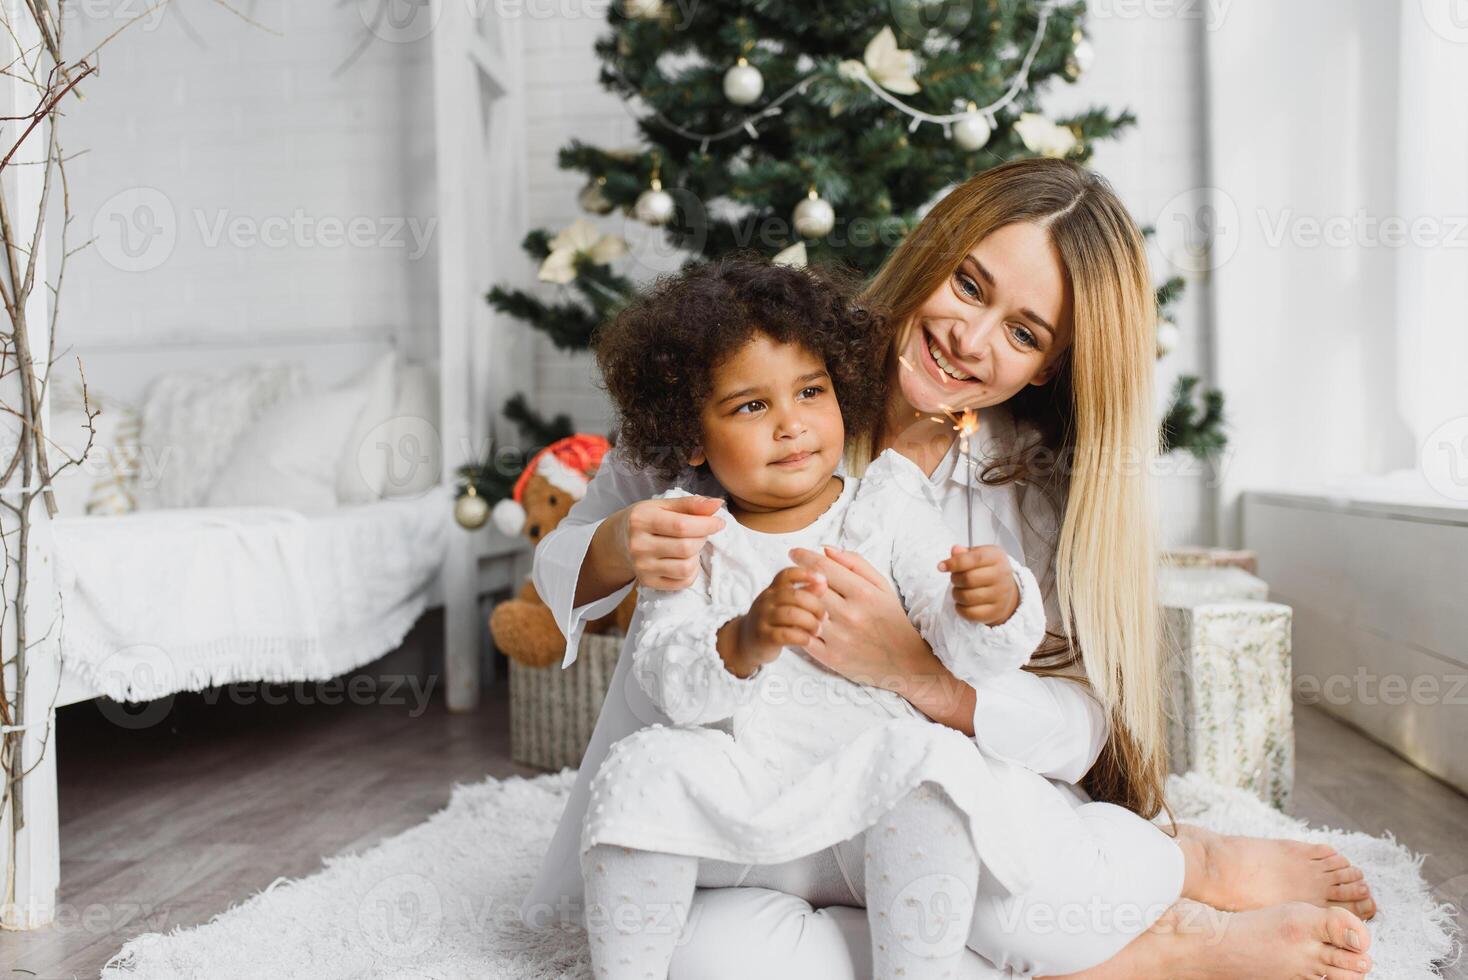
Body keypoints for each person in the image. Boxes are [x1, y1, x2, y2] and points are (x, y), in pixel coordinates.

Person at [522, 158, 1377, 980]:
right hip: (745, 801)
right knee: (693, 960)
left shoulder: (1028, 488)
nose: (967, 339)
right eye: (969, 284)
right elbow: (556, 577)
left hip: (899, 797)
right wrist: (613, 546)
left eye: (1022, 331)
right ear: (933, 251)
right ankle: (1130, 955)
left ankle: (1174, 885)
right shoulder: (765, 362)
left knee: (1011, 906)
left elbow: (1082, 721)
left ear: (1051, 365)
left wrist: (924, 678)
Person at [580, 255, 1054, 979]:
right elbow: (668, 678)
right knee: (646, 763)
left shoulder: (886, 505)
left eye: (810, 391)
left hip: (869, 813)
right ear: (694, 437)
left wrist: (994, 602)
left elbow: (958, 644)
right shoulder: (692, 532)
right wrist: (744, 638)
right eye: (751, 406)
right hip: (743, 810)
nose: (792, 426)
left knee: (936, 762)